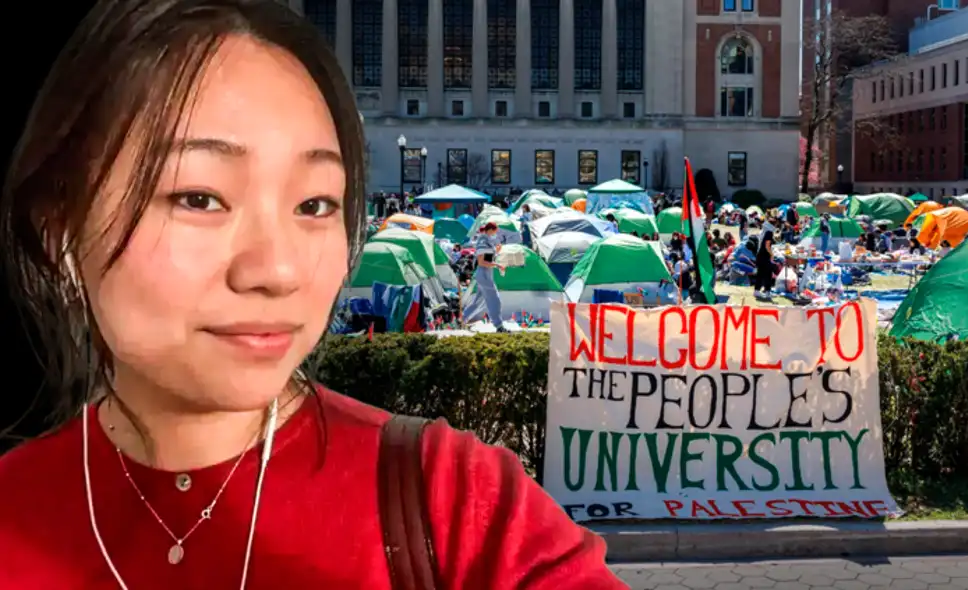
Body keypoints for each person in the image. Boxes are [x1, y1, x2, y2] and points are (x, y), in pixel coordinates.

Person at [0, 2, 625, 588]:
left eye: (314, 203)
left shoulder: (458, 505)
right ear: (60, 228)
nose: (277, 270)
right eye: (199, 197)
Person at [474, 222, 509, 333]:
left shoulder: (486, 242)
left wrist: (496, 252)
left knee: (478, 301)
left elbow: (488, 260)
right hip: (484, 274)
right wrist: (498, 265)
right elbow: (482, 262)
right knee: (495, 300)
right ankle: (499, 326)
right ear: (491, 230)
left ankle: (462, 320)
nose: (495, 234)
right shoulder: (483, 241)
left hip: (484, 274)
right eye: (495, 231)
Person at [754, 231, 775, 300]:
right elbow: (767, 245)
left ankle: (757, 291)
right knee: (768, 274)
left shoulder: (765, 234)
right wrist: (772, 254)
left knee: (760, 274)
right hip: (764, 258)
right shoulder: (770, 233)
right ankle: (767, 292)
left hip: (760, 257)